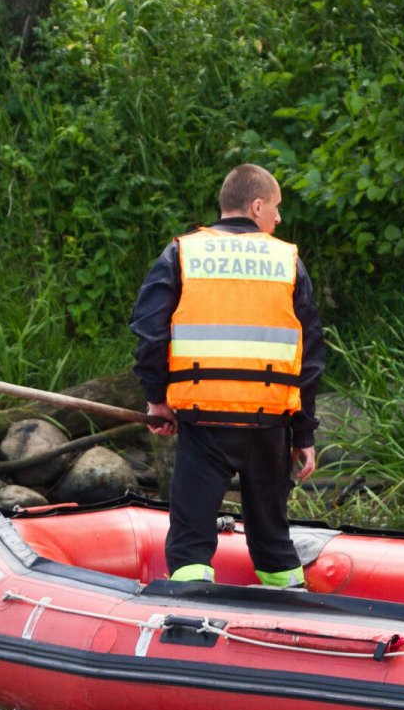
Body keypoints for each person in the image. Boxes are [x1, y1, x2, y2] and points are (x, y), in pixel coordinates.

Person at [130, 163, 325, 586]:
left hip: (204, 424)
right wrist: (304, 434)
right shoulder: (287, 260)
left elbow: (149, 331)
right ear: (256, 206)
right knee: (274, 544)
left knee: (189, 545)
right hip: (268, 428)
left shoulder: (182, 253)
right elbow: (307, 356)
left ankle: (188, 631)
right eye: (275, 208)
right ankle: (293, 623)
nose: (278, 219)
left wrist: (156, 397)